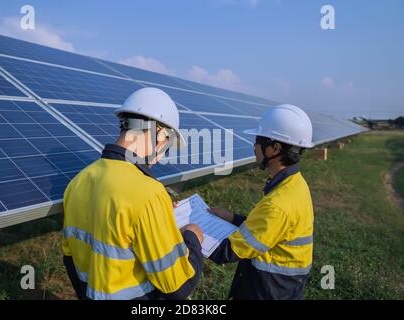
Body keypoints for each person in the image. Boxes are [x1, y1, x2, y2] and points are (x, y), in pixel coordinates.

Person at [61, 87, 204, 300]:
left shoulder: (78, 181)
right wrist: (192, 236)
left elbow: (69, 257)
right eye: (168, 144)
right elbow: (178, 286)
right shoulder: (149, 193)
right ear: (160, 135)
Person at [208, 104, 315, 300]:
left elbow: (227, 252)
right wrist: (232, 217)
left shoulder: (278, 204)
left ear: (275, 148)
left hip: (268, 291)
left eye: (258, 140)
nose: (254, 146)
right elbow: (267, 231)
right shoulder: (295, 184)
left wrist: (188, 232)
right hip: (283, 288)